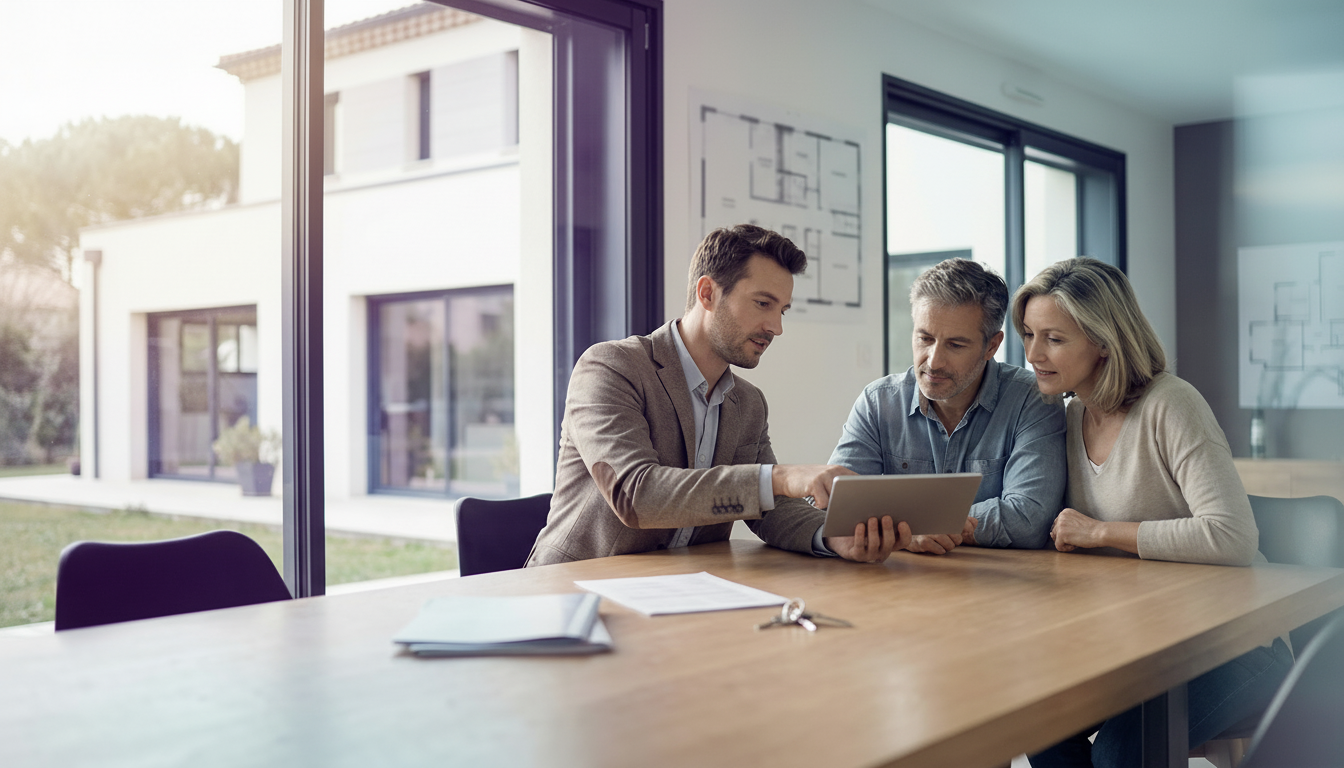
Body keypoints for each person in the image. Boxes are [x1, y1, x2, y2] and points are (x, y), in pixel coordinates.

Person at [1014, 257, 1293, 768]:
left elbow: (1232, 536)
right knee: (1039, 723)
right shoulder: (1069, 416)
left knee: (1120, 753)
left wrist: (1102, 532)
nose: (1033, 354)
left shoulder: (1171, 404)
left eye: (1053, 339)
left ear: (1103, 341)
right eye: (1029, 335)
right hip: (1140, 644)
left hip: (1235, 644)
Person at [527, 224, 910, 566]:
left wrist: (832, 537)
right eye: (763, 304)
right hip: (574, 588)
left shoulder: (749, 403)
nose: (776, 327)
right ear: (708, 293)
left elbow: (770, 509)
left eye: (782, 310)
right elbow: (638, 495)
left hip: (683, 589)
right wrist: (781, 476)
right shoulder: (611, 367)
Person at [828, 258, 1066, 554]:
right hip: (897, 577)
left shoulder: (1032, 400)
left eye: (955, 345)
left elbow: (1028, 520)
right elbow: (835, 509)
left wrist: (911, 524)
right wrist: (911, 532)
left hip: (1000, 579)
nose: (934, 361)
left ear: (991, 346)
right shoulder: (878, 403)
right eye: (925, 338)